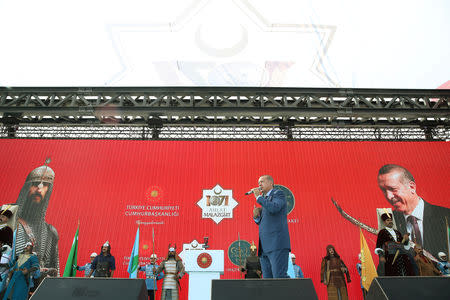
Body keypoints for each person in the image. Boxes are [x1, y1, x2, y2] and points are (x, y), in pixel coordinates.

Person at [377, 164, 450, 258]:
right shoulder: (388, 223)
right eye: (384, 190)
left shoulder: (446, 216)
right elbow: (386, 266)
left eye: (393, 189)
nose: (389, 196)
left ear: (412, 187)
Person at [14, 163, 59, 275]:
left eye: (45, 185)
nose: (39, 188)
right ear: (26, 188)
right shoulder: (9, 223)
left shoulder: (50, 233)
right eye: (35, 184)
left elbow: (54, 269)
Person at [251, 175, 291, 278]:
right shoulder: (265, 199)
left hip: (276, 244)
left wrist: (258, 197)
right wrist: (256, 216)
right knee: (267, 280)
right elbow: (265, 221)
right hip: (264, 247)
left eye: (262, 181)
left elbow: (274, 208)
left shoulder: (278, 194)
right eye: (258, 182)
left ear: (271, 183)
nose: (259, 184)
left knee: (279, 277)